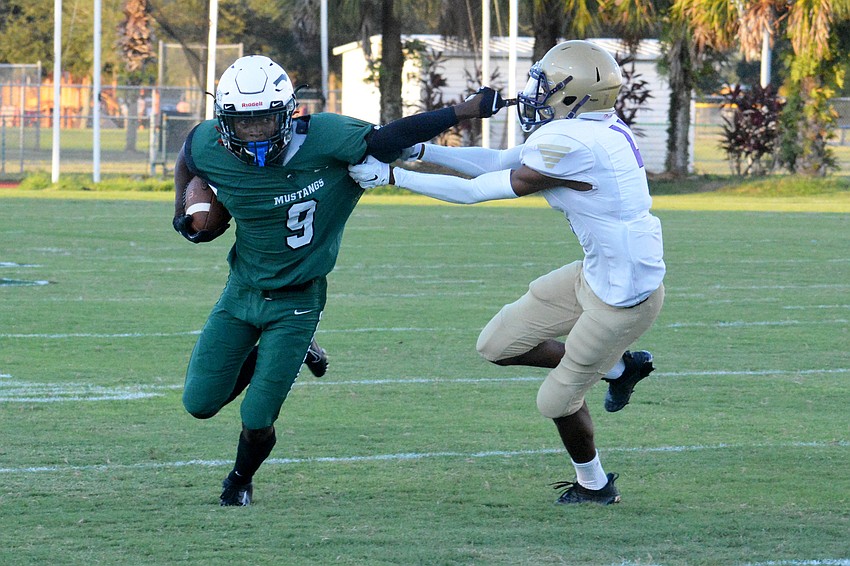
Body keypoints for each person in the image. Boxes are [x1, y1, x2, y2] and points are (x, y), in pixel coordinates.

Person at [172, 54, 506, 506]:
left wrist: (461, 111)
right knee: (199, 403)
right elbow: (188, 158)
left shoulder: (328, 137)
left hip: (298, 300)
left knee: (257, 416)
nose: (254, 133)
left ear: (289, 112)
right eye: (243, 124)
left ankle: (238, 481)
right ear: (224, 121)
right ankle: (282, 353)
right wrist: (184, 216)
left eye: (265, 122)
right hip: (241, 292)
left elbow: (392, 138)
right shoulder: (208, 143)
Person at [349, 40, 665, 505]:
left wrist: (394, 178)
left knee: (555, 402)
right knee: (496, 345)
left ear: (576, 94)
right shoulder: (587, 126)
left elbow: (477, 191)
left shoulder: (575, 141)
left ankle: (595, 486)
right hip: (595, 274)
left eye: (547, 85)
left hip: (624, 300)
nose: (535, 93)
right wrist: (421, 151)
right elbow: (499, 161)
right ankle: (619, 367)